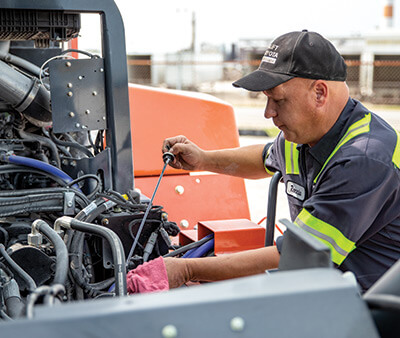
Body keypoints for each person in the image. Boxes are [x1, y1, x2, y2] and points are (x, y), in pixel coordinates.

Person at [130, 30, 400, 293]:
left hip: (376, 306)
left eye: (277, 99)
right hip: (329, 286)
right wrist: (202, 160)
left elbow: (297, 257)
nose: (268, 112)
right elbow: (266, 159)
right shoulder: (305, 137)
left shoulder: (364, 159)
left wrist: (188, 270)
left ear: (319, 93)